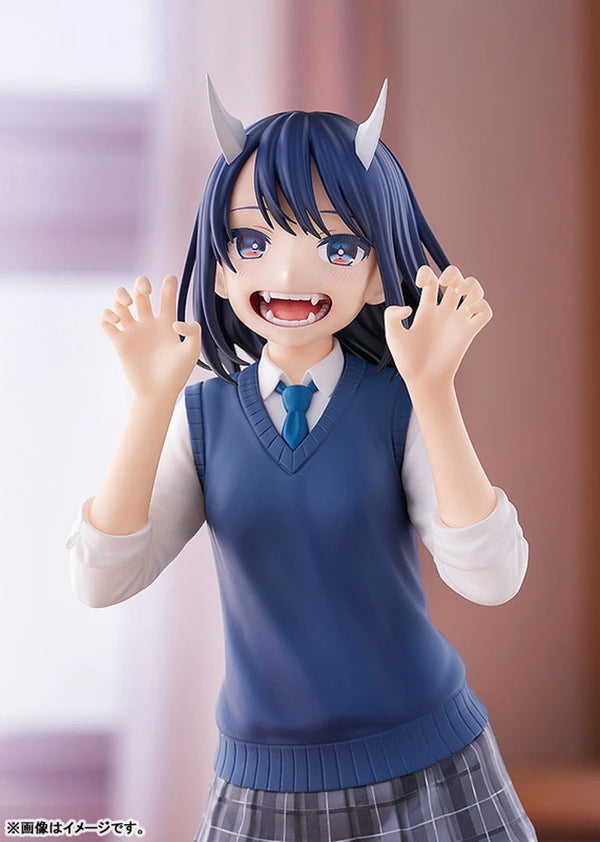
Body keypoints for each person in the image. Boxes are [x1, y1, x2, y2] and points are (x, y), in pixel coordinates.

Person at [68, 80, 538, 841]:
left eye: (337, 247)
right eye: (253, 243)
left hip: (429, 763)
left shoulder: (397, 406)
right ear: (220, 266)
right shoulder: (203, 418)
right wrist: (151, 403)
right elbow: (100, 582)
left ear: (376, 271)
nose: (289, 277)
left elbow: (492, 579)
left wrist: (433, 390)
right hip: (261, 781)